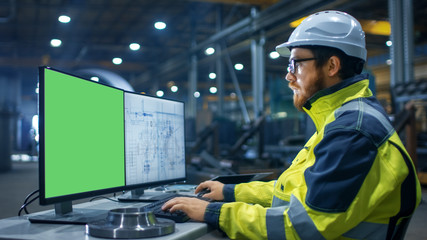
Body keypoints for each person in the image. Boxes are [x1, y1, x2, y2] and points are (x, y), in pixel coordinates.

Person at [162, 10, 422, 239]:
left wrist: (214, 213)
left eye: (296, 63)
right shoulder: (340, 119)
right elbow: (295, 190)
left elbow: (304, 226)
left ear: (332, 65)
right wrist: (231, 192)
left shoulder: (352, 131)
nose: (288, 75)